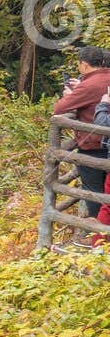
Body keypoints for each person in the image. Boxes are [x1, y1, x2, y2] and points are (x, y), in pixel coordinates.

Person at [53, 45, 110, 216]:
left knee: (93, 192)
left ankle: (99, 234)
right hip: (106, 144)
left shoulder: (88, 85)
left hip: (93, 146)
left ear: (84, 65)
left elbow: (59, 108)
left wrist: (70, 94)